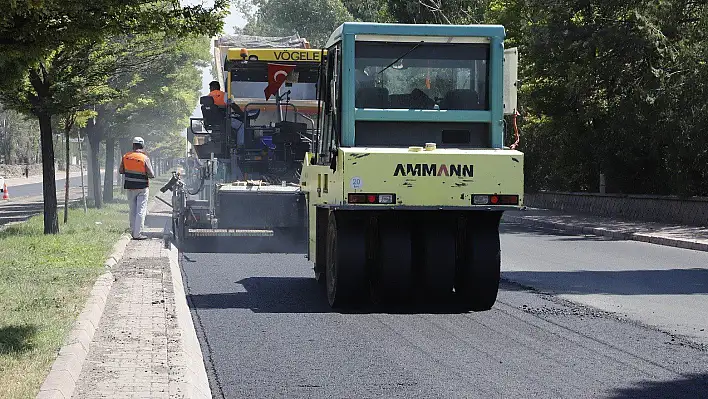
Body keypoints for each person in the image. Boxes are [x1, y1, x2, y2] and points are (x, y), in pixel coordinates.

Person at [119, 137, 155, 240]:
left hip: (130, 187)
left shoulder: (126, 157)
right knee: (141, 210)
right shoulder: (144, 158)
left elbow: (121, 170)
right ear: (142, 146)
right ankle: (137, 233)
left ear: (133, 146)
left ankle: (132, 230)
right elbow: (151, 174)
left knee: (132, 209)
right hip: (142, 188)